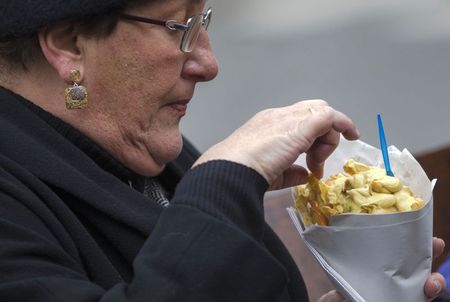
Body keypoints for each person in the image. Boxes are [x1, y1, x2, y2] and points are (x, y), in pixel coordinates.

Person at [0, 0, 445, 301]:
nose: (207, 64)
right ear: (69, 45)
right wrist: (226, 177)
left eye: (204, 21)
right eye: (182, 27)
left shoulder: (136, 145)